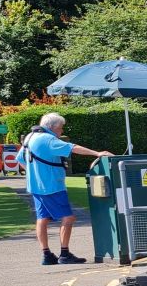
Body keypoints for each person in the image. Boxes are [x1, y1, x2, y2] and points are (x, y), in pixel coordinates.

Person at [16, 112, 112, 266]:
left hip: (35, 186)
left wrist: (34, 173)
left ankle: (46, 255)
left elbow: (20, 159)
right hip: (52, 185)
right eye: (61, 128)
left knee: (42, 219)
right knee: (68, 218)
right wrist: (97, 153)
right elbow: (73, 148)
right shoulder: (48, 140)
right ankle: (64, 253)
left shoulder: (30, 137)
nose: (61, 132)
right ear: (53, 127)